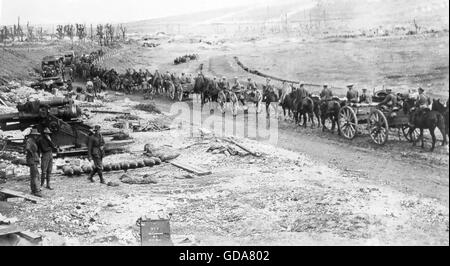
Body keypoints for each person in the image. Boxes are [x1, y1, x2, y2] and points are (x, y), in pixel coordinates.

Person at [26, 129, 42, 197]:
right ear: (32, 135)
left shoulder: (33, 140)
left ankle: (33, 190)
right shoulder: (29, 140)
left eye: (36, 135)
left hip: (34, 159)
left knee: (34, 175)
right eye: (35, 135)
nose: (36, 136)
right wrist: (32, 154)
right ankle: (37, 191)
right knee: (35, 175)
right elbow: (28, 148)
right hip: (32, 160)